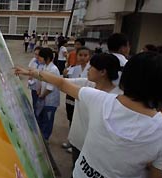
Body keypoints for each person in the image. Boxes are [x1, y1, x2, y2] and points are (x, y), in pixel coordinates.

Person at [14, 52, 162, 178]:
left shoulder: (99, 99)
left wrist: (34, 73)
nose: (88, 69)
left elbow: (61, 84)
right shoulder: (157, 129)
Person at [67, 53, 123, 171]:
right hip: (78, 141)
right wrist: (33, 73)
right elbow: (61, 82)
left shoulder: (119, 97)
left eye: (91, 67)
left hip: (99, 150)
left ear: (103, 72)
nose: (87, 69)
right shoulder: (86, 84)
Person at [62, 46, 90, 153]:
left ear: (89, 56)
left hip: (84, 100)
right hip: (71, 99)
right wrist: (64, 74)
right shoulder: (72, 68)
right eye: (80, 55)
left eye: (85, 55)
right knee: (71, 121)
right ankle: (71, 141)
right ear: (76, 56)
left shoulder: (91, 69)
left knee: (82, 123)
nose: (83, 58)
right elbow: (66, 81)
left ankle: (79, 146)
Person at [35, 47, 60, 141]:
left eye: (40, 57)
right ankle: (42, 136)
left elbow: (50, 88)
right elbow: (42, 81)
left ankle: (45, 138)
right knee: (42, 118)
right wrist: (39, 90)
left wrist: (42, 95)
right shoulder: (45, 67)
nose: (39, 58)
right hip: (44, 97)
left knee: (48, 120)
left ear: (47, 58)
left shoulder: (53, 69)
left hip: (50, 100)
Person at [28, 46, 44, 115]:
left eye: (38, 54)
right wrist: (30, 77)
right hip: (34, 86)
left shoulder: (45, 64)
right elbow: (30, 69)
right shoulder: (33, 60)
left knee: (41, 105)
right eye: (35, 54)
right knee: (35, 103)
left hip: (42, 88)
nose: (36, 56)